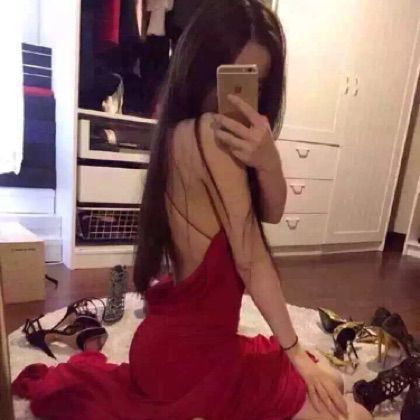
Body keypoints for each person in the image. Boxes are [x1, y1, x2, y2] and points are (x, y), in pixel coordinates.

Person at [12, 1, 372, 419]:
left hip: (184, 349)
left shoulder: (179, 133)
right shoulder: (209, 137)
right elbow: (252, 259)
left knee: (328, 376)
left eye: (255, 83)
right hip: (188, 364)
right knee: (349, 410)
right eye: (230, 77)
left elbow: (272, 212)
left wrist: (268, 161)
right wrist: (293, 354)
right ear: (201, 69)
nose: (238, 97)